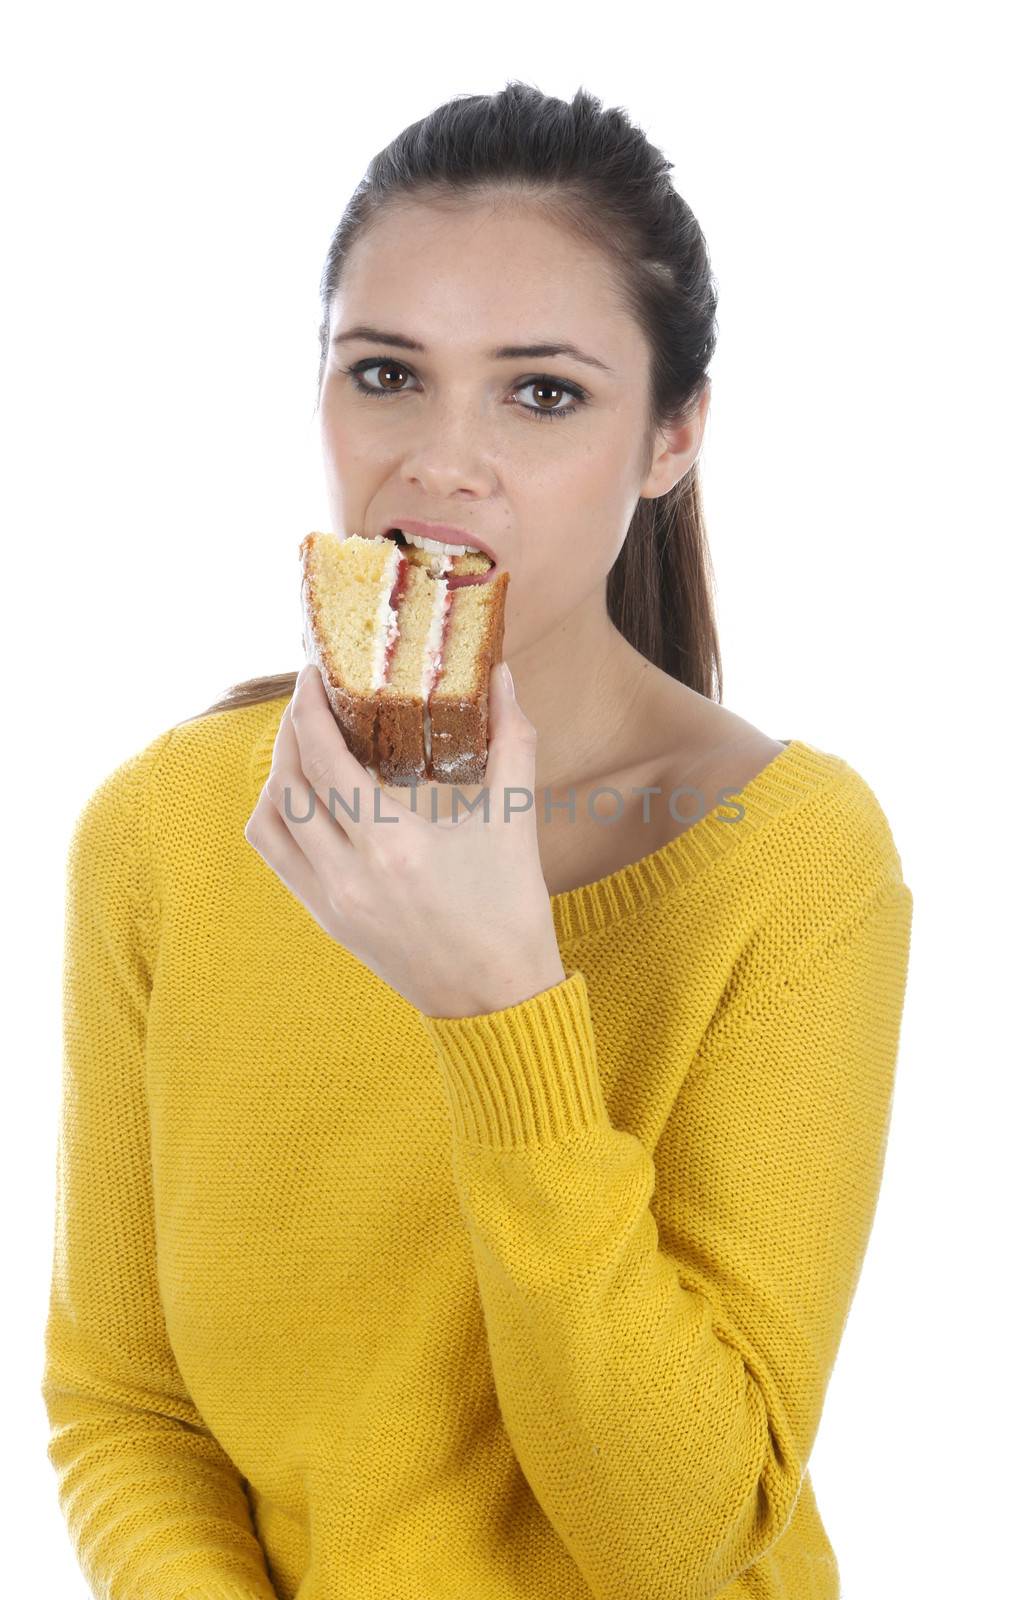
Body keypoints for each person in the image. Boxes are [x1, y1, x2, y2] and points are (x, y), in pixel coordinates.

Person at [40, 81, 913, 1600]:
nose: (443, 461)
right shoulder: (164, 831)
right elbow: (126, 1407)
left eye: (543, 393)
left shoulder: (796, 864)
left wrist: (498, 1001)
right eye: (385, 372)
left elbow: (689, 1542)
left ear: (670, 440)